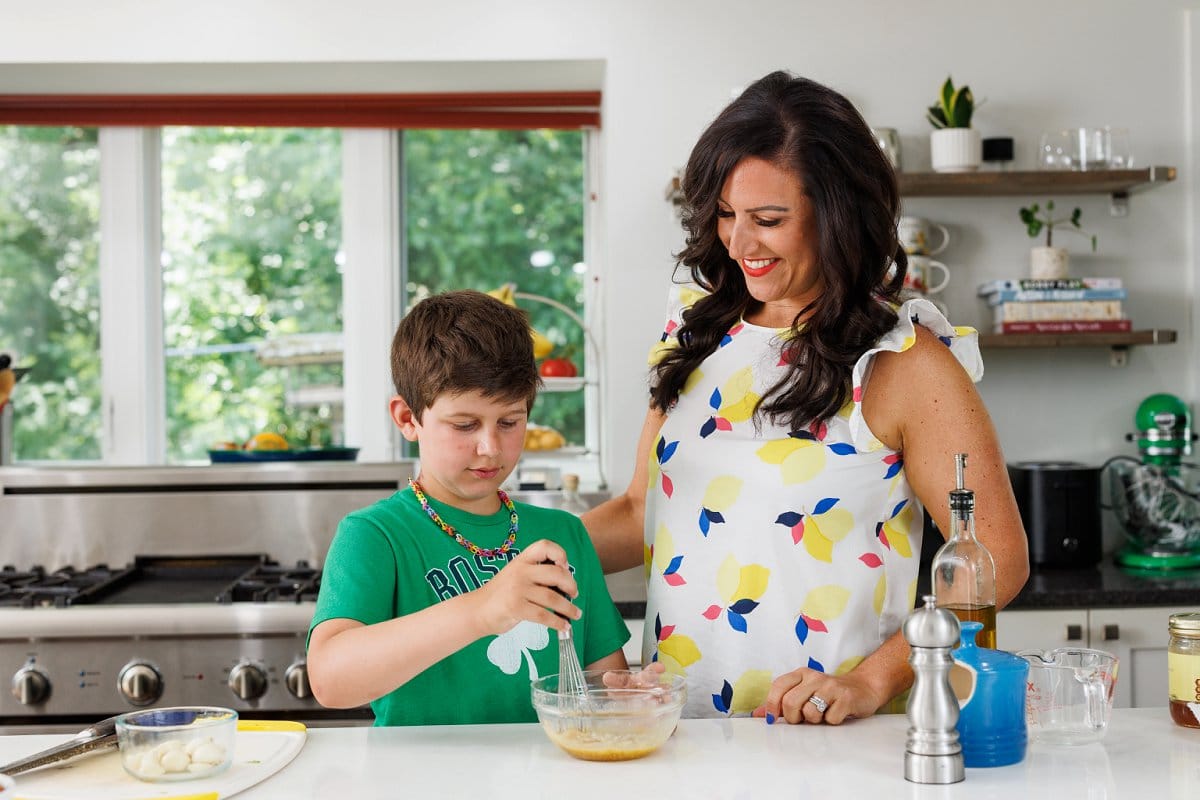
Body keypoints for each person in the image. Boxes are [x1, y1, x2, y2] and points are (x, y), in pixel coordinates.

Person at [582, 71, 1029, 724]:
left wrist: (873, 682)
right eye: (726, 215)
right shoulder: (695, 329)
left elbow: (998, 559)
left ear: (839, 213)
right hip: (680, 730)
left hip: (834, 736)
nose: (738, 243)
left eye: (768, 219)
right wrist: (494, 557)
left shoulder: (903, 362)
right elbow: (637, 512)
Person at [307, 290, 629, 725]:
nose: (490, 448)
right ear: (407, 419)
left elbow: (604, 684)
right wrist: (483, 609)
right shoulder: (375, 535)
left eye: (510, 422)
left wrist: (631, 698)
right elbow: (330, 679)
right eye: (464, 425)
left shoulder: (564, 534)